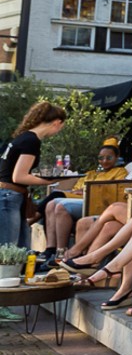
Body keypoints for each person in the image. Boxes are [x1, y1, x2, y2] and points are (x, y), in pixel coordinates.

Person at [0, 101, 67, 249]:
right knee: (8, 249)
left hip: (8, 193)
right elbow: (19, 176)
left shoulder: (23, 137)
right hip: (9, 195)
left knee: (21, 248)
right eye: (60, 127)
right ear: (57, 123)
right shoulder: (32, 141)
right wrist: (48, 181)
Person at [43, 144, 128, 259]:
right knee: (51, 204)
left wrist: (87, 191)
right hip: (80, 198)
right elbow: (76, 189)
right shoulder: (91, 173)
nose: (104, 161)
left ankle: (61, 251)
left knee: (61, 206)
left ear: (116, 158)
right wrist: (79, 191)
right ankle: (51, 249)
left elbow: (113, 191)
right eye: (101, 158)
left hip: (97, 202)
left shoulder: (120, 172)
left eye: (109, 158)